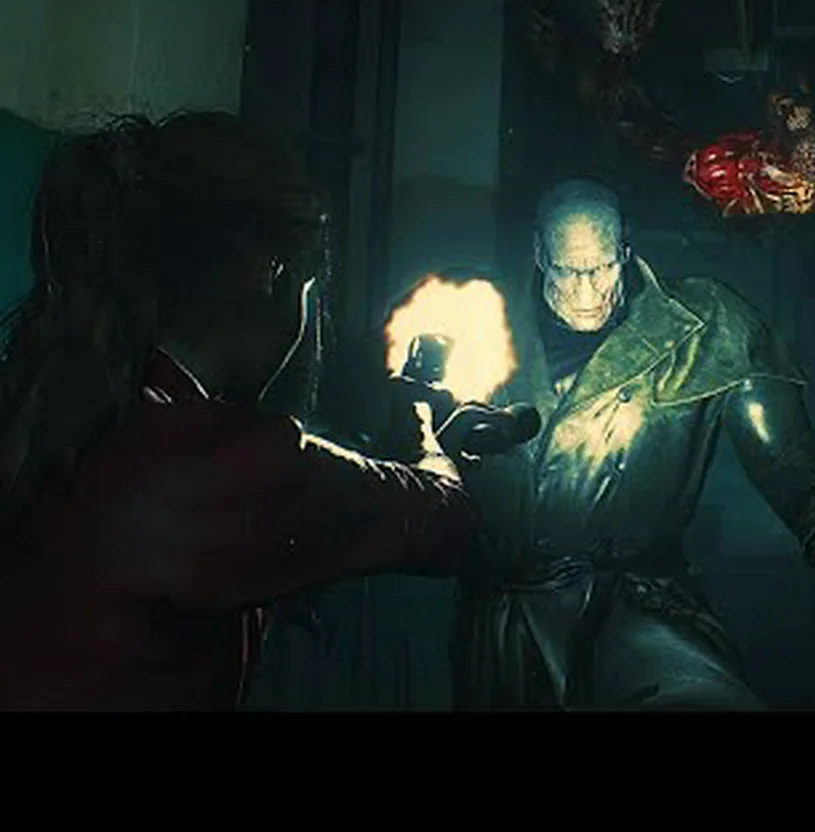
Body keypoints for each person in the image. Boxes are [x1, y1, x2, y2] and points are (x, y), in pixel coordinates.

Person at [0, 112, 478, 711]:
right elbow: (445, 519)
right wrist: (425, 434)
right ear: (270, 275)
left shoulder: (62, 399)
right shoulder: (210, 456)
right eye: (307, 288)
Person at [451, 177, 815, 710]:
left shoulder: (703, 326)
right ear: (540, 256)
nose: (587, 292)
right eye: (569, 271)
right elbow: (419, 457)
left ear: (625, 251)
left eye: (602, 268)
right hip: (510, 625)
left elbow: (784, 453)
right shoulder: (474, 324)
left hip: (640, 607)